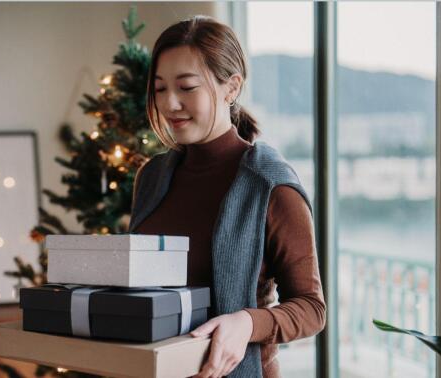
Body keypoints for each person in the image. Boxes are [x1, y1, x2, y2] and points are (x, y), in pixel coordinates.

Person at [129, 16, 326, 378]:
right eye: (159, 89)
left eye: (187, 87)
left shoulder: (271, 185)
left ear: (231, 88)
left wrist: (248, 323)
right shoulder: (152, 177)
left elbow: (312, 310)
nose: (170, 103)